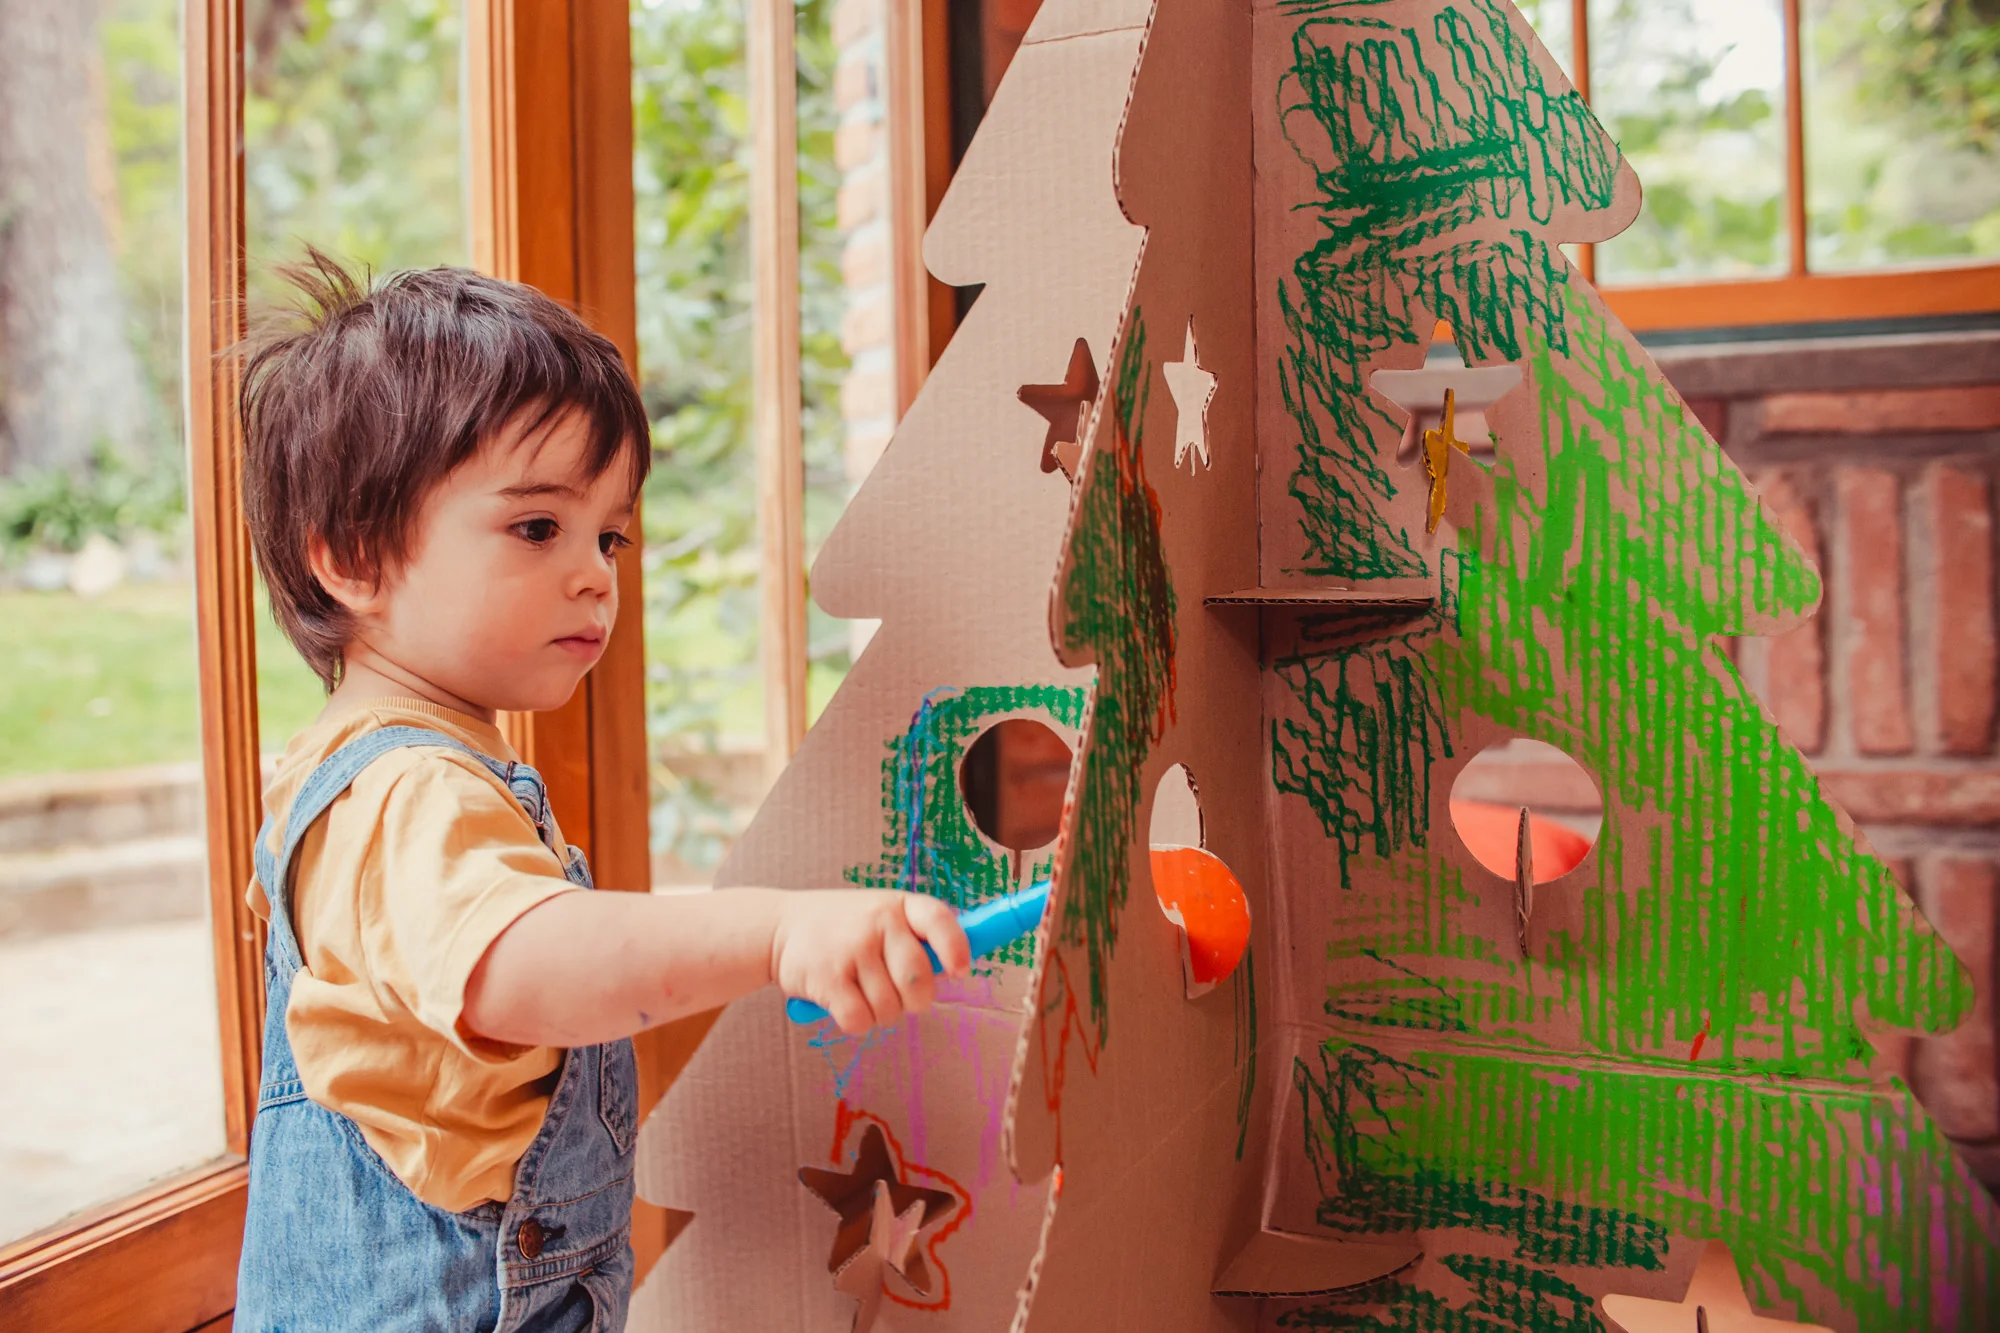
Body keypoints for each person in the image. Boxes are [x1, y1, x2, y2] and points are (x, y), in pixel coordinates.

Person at [231, 253, 970, 1332]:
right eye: (538, 527)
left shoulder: (388, 764)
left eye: (608, 535)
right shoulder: (405, 790)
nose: (594, 573)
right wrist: (774, 934)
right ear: (352, 556)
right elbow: (522, 966)